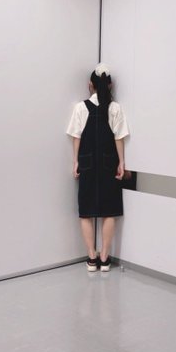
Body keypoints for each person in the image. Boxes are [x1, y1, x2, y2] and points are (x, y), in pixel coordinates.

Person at [66, 63, 129, 272]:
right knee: (108, 210)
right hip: (109, 163)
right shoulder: (115, 108)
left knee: (86, 210)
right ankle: (104, 258)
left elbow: (76, 136)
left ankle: (92, 258)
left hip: (87, 162)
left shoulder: (80, 107)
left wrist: (76, 161)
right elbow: (119, 138)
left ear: (90, 84)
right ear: (109, 85)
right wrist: (121, 163)